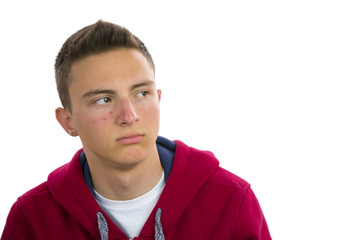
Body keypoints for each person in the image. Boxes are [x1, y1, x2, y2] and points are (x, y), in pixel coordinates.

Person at [1, 20, 271, 240]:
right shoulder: (32, 220)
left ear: (158, 99)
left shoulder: (231, 200)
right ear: (68, 121)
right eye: (103, 100)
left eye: (141, 93)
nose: (129, 116)